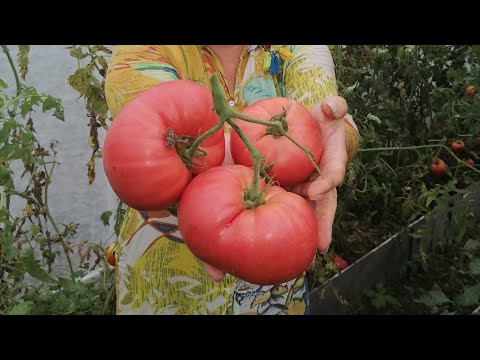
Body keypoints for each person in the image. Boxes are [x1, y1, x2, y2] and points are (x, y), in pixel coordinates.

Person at [104, 45, 360, 315]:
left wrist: (338, 133)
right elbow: (142, 148)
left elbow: (320, 110)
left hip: (272, 286)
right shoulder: (141, 51)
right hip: (167, 283)